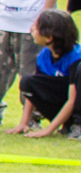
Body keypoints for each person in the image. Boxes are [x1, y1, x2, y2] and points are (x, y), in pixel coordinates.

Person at [9, 8, 78, 137]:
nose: (31, 30)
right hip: (64, 101)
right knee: (27, 82)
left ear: (49, 37)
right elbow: (34, 88)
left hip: (74, 103)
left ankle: (76, 124)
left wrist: (47, 130)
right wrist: (24, 123)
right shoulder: (44, 54)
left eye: (36, 28)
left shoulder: (76, 58)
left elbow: (73, 99)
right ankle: (68, 124)